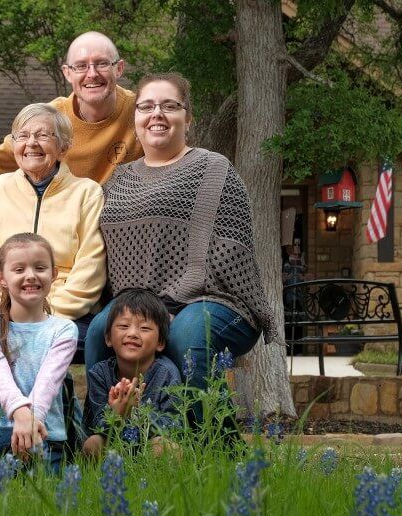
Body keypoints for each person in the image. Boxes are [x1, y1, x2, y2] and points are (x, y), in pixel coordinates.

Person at [84, 73, 279, 423]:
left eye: (169, 106)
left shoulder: (212, 169)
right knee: (100, 330)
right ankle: (106, 436)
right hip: (140, 303)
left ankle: (210, 448)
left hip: (215, 301)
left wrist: (163, 308)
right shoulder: (119, 179)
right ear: (136, 120)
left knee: (186, 334)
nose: (157, 114)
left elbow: (221, 255)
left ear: (188, 119)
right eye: (146, 106)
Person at [0, 103, 105, 354]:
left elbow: (90, 269)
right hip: (0, 305)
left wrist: (44, 315)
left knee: (89, 341)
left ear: (63, 148)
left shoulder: (87, 193)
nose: (31, 144)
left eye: (42, 135)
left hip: (63, 311)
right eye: (23, 136)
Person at [0, 31, 142, 185]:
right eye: (81, 66)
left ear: (118, 68)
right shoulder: (48, 120)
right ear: (67, 73)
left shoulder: (143, 112)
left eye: (102, 63)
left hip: (126, 224)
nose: (92, 74)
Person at [0, 233, 77, 473]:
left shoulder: (64, 330)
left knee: (44, 500)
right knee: (5, 497)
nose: (30, 275)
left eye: (40, 267)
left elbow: (48, 382)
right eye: (19, 269)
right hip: (0, 433)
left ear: (54, 274)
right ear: (0, 278)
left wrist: (32, 422)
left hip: (47, 433)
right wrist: (21, 415)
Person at [82, 289, 181, 458]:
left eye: (144, 328)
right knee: (93, 444)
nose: (133, 333)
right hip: (114, 445)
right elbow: (93, 425)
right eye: (123, 326)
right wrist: (117, 414)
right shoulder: (99, 373)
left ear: (160, 342)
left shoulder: (167, 373)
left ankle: (150, 479)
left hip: (149, 446)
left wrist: (136, 413)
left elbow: (173, 425)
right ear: (108, 338)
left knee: (168, 448)